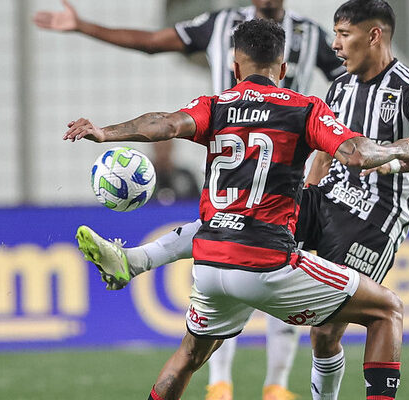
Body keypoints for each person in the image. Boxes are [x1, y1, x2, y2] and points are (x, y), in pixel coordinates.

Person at [88, 1, 409, 399]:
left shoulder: (214, 104)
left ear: (234, 66)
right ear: (283, 69)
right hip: (264, 261)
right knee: (386, 309)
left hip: (213, 261)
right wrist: (397, 152)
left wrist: (106, 132)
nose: (335, 45)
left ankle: (137, 259)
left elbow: (163, 122)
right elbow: (353, 153)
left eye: (343, 35)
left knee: (189, 356)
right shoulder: (304, 107)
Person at [36, 2, 344, 398]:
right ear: (281, 70)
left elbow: (351, 80)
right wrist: (83, 27)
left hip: (274, 155)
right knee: (291, 257)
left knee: (224, 237)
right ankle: (228, 383)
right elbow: (150, 42)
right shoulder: (220, 25)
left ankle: (270, 385)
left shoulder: (310, 34)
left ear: (236, 66)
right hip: (243, 152)